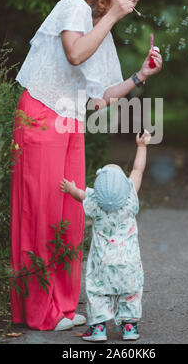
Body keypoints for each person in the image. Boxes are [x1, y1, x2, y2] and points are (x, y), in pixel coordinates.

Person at [10, 0, 162, 332]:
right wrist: (111, 15)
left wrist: (140, 75)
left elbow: (101, 98)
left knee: (71, 213)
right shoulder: (73, 8)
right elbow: (75, 54)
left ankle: (62, 307)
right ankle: (37, 311)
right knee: (41, 209)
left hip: (71, 121)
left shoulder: (103, 34)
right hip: (41, 113)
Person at [60, 129, 151, 342]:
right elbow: (138, 170)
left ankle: (99, 328)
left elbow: (78, 194)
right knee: (130, 292)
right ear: (125, 187)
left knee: (98, 292)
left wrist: (70, 188)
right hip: (128, 263)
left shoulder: (94, 203)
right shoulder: (130, 200)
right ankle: (129, 327)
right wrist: (142, 146)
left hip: (102, 264)